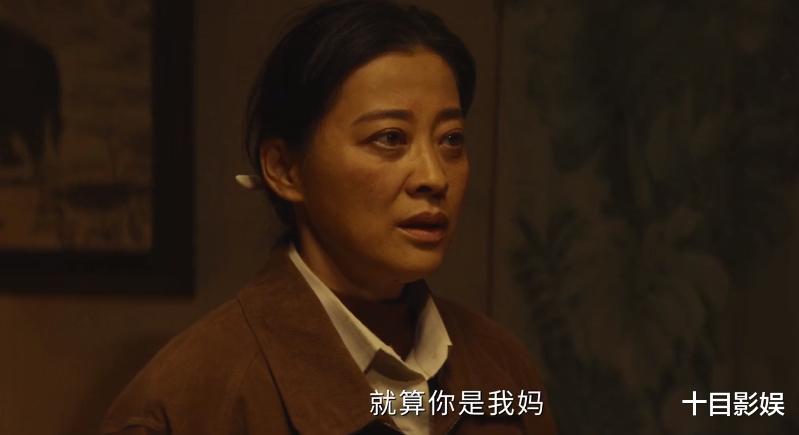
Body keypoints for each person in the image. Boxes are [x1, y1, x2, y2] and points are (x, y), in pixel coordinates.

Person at [101, 1, 557, 434]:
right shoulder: (190, 402)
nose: (434, 177)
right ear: (285, 169)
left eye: (451, 139)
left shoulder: (499, 366)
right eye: (390, 138)